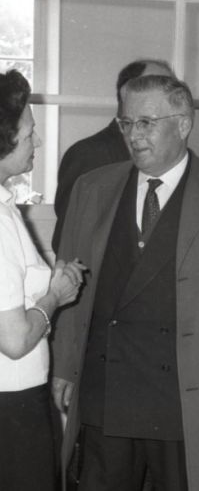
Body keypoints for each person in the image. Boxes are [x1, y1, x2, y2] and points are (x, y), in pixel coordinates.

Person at [51, 75, 199, 491]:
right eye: (126, 123)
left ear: (184, 124)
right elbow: (70, 288)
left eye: (146, 123)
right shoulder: (92, 189)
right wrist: (64, 366)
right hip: (107, 389)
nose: (133, 135)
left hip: (186, 393)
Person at [0, 70, 85, 491]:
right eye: (30, 132)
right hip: (12, 405)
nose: (37, 141)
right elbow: (14, 340)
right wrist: (56, 295)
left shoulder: (6, 205)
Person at [52, 58, 176, 252]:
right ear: (127, 93)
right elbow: (68, 241)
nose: (167, 95)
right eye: (154, 85)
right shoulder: (88, 154)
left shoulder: (169, 156)